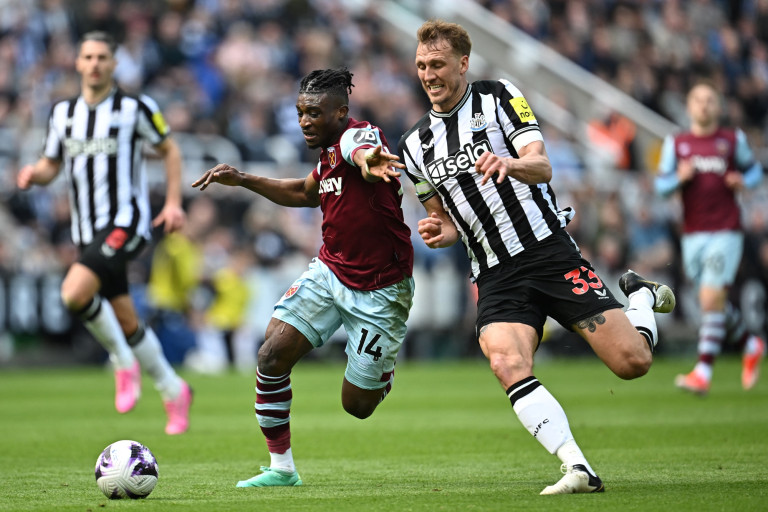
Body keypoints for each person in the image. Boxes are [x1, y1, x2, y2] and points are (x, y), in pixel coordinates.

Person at [398, 19, 676, 495]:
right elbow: (442, 218)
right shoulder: (413, 145)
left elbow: (542, 165)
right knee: (506, 362)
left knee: (633, 363)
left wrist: (509, 163)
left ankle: (641, 299)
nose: (428, 74)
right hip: (494, 272)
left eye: (437, 64)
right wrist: (439, 231)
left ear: (463, 63)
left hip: (548, 253)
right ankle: (577, 467)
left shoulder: (499, 96)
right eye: (422, 65)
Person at [192, 68, 414, 487]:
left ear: (340, 112)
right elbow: (304, 193)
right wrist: (242, 179)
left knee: (357, 406)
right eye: (300, 112)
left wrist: (369, 161)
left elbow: (362, 153)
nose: (304, 121)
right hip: (331, 270)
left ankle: (380, 370)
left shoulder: (358, 137)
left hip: (381, 288)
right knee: (270, 355)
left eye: (314, 113)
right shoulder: (327, 154)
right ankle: (282, 468)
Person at [16, 31, 192, 435]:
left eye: (102, 57)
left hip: (127, 223)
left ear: (114, 64)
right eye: (88, 57)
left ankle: (121, 361)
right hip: (86, 231)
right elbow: (50, 164)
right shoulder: (63, 114)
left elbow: (170, 149)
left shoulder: (135, 108)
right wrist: (32, 175)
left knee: (73, 292)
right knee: (126, 318)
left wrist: (172, 203)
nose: (94, 64)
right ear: (78, 63)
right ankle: (173, 388)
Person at [656, 81, 765, 395]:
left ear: (718, 107)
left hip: (726, 230)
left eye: (709, 100)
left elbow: (755, 172)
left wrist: (743, 180)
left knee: (709, 297)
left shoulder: (732, 140)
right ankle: (751, 344)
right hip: (692, 233)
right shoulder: (677, 143)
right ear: (689, 107)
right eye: (698, 100)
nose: (704, 105)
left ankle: (702, 372)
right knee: (712, 301)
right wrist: (679, 178)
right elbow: (662, 186)